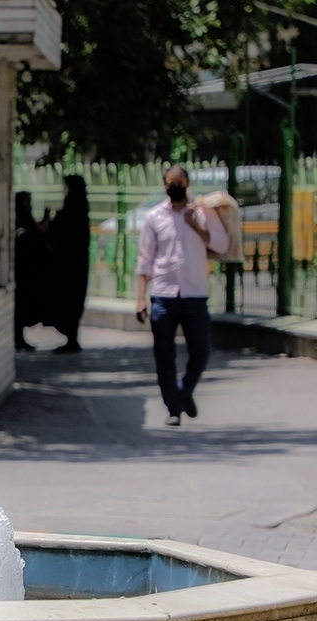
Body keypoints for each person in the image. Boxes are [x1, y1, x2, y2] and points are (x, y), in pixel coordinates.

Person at [134, 165, 229, 427]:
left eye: (179, 182)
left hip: (194, 293)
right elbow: (145, 259)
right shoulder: (154, 217)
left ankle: (184, 390)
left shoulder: (203, 212)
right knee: (164, 355)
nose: (174, 186)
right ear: (164, 186)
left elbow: (222, 244)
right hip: (163, 295)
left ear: (187, 183)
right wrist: (141, 298)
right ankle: (173, 408)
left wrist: (196, 226)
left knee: (201, 350)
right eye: (170, 183)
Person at [46, 175, 90, 352]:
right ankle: (72, 336)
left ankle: (71, 338)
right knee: (73, 300)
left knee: (67, 300)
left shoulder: (70, 211)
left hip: (67, 266)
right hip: (78, 265)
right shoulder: (81, 210)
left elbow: (59, 232)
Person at [13, 191, 47, 350]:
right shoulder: (18, 218)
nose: (29, 204)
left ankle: (20, 338)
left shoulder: (26, 217)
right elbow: (22, 236)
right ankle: (17, 339)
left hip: (29, 272)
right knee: (19, 307)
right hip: (20, 271)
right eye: (26, 201)